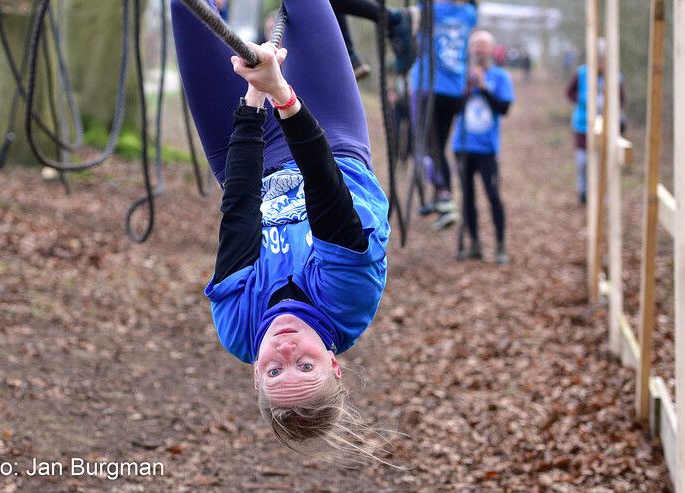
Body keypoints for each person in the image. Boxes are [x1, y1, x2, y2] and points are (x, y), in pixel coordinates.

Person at [171, 0, 391, 456]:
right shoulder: (348, 302)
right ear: (334, 365)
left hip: (248, 156)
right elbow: (326, 189)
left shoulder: (238, 326)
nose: (286, 353)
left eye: (274, 373)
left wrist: (253, 102)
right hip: (329, 137)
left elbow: (240, 212)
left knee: (185, 7)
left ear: (256, 373)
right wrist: (280, 93)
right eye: (305, 368)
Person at [410, 0, 478, 230]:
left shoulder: (432, 9)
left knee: (428, 148)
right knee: (438, 146)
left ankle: (444, 194)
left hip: (429, 88)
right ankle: (441, 196)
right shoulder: (469, 13)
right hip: (454, 91)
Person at [452, 30, 514, 264]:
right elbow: (452, 110)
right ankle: (474, 243)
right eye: (476, 46)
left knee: (493, 195)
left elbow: (504, 108)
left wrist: (484, 87)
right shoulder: (460, 76)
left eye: (484, 46)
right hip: (463, 147)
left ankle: (500, 244)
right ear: (470, 50)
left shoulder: (501, 77)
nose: (479, 51)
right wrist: (468, 89)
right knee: (467, 197)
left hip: (488, 149)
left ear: (491, 50)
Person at [566, 37, 625, 204]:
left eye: (604, 59)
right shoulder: (582, 73)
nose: (601, 63)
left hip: (606, 126)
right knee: (583, 161)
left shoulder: (615, 76)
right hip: (583, 125)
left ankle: (601, 193)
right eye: (598, 59)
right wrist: (583, 101)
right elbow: (569, 92)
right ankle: (583, 191)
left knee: (602, 162)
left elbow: (622, 100)